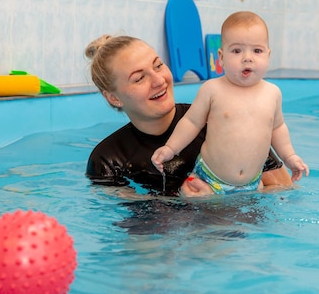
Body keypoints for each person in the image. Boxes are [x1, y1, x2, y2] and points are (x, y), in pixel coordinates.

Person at [84, 34, 294, 197]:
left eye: (158, 65)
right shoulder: (108, 160)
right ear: (114, 98)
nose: (159, 80)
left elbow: (284, 189)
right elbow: (135, 218)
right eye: (139, 78)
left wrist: (226, 200)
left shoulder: (221, 123)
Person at [151, 11, 309, 196]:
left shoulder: (272, 93)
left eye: (257, 51)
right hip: (210, 180)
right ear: (222, 57)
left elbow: (277, 128)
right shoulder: (213, 89)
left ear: (268, 55)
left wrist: (290, 157)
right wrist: (170, 149)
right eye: (236, 51)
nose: (247, 58)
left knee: (249, 222)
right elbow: (191, 122)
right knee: (205, 214)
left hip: (252, 183)